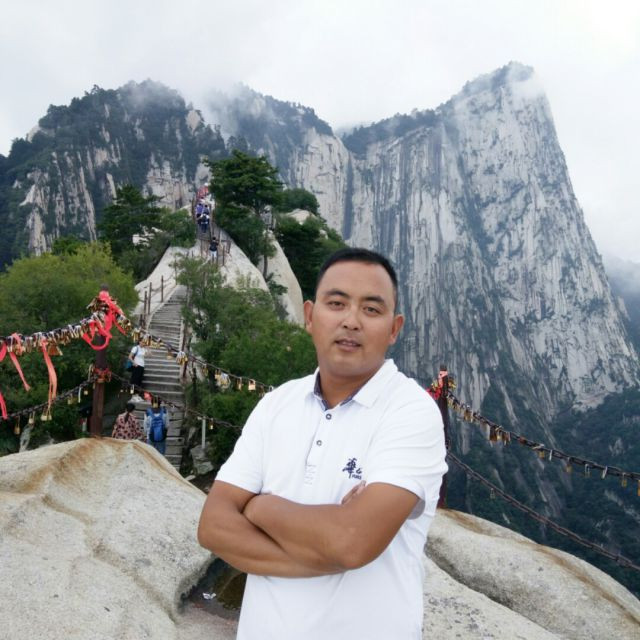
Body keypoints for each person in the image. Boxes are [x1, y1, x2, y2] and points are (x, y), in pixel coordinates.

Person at [197, 248, 447, 639]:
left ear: (394, 328)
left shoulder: (411, 412)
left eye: (371, 309)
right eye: (337, 303)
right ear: (310, 316)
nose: (351, 321)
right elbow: (214, 526)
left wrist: (260, 506)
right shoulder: (277, 404)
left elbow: (351, 542)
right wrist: (325, 556)